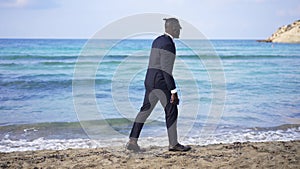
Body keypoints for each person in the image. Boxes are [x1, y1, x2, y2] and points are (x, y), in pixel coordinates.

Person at [126, 18, 191, 152]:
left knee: (145, 111)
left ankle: (132, 141)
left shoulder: (157, 40)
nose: (180, 30)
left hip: (150, 80)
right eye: (179, 28)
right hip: (160, 82)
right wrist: (173, 91)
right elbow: (166, 70)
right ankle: (173, 144)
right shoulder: (168, 44)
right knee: (172, 109)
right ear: (173, 28)